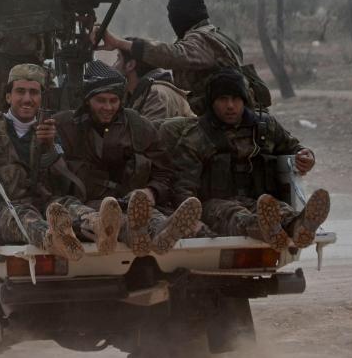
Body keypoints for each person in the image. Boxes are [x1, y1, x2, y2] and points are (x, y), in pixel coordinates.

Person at [0, 63, 101, 261]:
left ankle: (99, 225)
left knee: (69, 204)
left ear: (41, 98)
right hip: (8, 209)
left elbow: (63, 177)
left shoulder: (48, 128)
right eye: (20, 92)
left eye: (34, 93)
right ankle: (54, 240)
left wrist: (50, 145)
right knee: (25, 217)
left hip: (46, 203)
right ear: (8, 97)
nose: (27, 99)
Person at [161, 68, 329, 251]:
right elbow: (183, 188)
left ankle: (299, 226)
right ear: (212, 103)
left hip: (259, 201)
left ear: (245, 100)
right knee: (235, 215)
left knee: (282, 211)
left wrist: (306, 156)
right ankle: (264, 229)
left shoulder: (264, 128)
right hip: (214, 205)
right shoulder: (197, 137)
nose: (230, 106)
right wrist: (192, 220)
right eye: (223, 99)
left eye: (236, 99)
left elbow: (292, 147)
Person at [53, 60, 202, 256]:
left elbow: (165, 171)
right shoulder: (65, 125)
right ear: (87, 99)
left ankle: (163, 232)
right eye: (101, 100)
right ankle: (135, 237)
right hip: (89, 202)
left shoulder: (138, 126)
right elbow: (50, 174)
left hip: (132, 200)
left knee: (149, 215)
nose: (108, 107)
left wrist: (152, 192)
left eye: (113, 101)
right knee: (113, 220)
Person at [95, 0, 269, 114]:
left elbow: (173, 55)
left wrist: (120, 43)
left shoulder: (203, 39)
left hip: (227, 121)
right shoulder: (216, 37)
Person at [112, 43, 193, 122]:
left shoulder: (156, 94)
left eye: (118, 59)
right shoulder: (135, 94)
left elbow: (147, 134)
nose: (113, 65)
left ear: (130, 65)